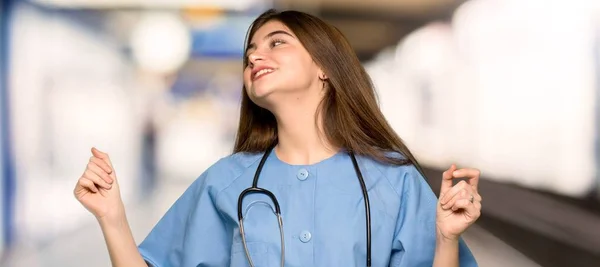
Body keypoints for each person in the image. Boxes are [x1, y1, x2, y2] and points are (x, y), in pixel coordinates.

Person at [74, 9, 482, 267]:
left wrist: (446, 238)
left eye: (276, 43)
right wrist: (112, 217)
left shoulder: (393, 179)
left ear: (325, 66)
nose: (254, 56)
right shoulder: (227, 181)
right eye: (250, 50)